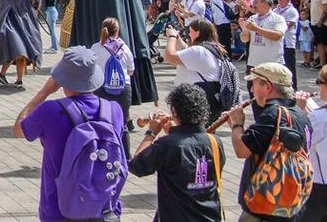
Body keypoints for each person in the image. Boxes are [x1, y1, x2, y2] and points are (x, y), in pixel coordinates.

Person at [14, 46, 126, 222]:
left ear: (62, 80)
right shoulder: (114, 110)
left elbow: (19, 129)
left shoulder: (50, 110)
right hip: (105, 209)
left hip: (59, 211)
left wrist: (44, 92)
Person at [224, 62, 312, 220]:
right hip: (291, 204)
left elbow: (242, 151)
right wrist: (236, 129)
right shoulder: (300, 114)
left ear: (268, 87)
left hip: (264, 206)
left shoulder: (272, 114)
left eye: (254, 84)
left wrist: (237, 123)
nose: (251, 90)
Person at [130, 83, 225, 221]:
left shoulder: (167, 145)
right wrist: (173, 132)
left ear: (174, 111)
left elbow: (137, 166)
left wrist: (151, 133)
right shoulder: (215, 142)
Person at [164, 19, 232, 121]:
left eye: (190, 31)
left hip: (195, 100)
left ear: (198, 32)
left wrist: (171, 37)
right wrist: (178, 37)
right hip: (210, 97)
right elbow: (186, 49)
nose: (189, 34)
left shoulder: (198, 51)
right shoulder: (211, 48)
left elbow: (170, 57)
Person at [92, 17, 135, 132]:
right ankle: (124, 149)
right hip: (123, 89)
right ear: (117, 30)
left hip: (102, 88)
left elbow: (91, 68)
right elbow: (131, 70)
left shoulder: (95, 47)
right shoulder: (125, 48)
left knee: (102, 123)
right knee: (122, 124)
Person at [296, 64, 327, 219]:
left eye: (319, 82)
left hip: (320, 188)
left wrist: (299, 111)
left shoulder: (319, 118)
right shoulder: (319, 116)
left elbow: (302, 143)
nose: (318, 86)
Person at [242, 0, 287, 79]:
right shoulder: (252, 18)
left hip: (272, 63)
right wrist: (244, 30)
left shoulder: (278, 19)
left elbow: (277, 36)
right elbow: (245, 39)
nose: (253, 5)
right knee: (253, 90)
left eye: (255, 2)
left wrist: (256, 29)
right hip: (253, 63)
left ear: (265, 3)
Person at [274, 0, 301, 88]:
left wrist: (274, 27)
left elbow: (287, 25)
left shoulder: (292, 11)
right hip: (277, 43)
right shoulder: (275, 10)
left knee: (289, 68)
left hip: (288, 43)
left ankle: (293, 89)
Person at [311, 0, 327, 68]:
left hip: (322, 23)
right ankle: (322, 64)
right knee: (319, 44)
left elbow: (325, 8)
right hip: (314, 22)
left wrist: (321, 21)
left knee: (324, 44)